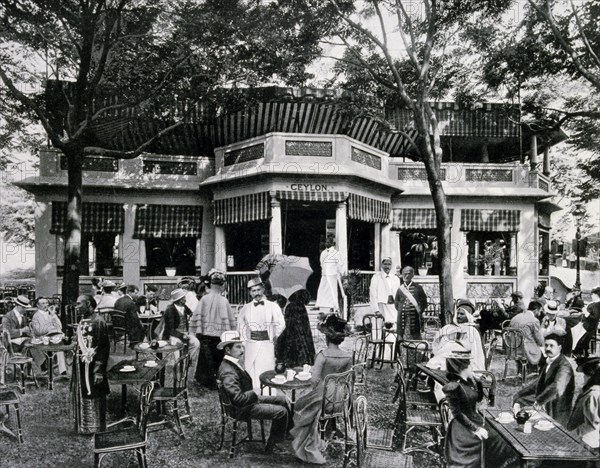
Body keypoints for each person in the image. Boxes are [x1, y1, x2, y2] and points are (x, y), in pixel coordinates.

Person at [291, 314, 353, 464]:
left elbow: (314, 379)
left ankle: (304, 443)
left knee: (299, 404)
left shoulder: (322, 356)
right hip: (338, 398)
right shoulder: (347, 357)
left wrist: (311, 372)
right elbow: (348, 379)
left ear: (327, 338)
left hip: (321, 398)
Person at [217, 335, 291, 454]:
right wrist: (254, 392)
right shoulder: (228, 371)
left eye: (242, 347)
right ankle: (272, 445)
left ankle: (286, 434)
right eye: (238, 347)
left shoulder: (231, 363)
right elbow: (237, 399)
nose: (242, 350)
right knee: (281, 411)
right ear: (227, 350)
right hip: (241, 409)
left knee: (282, 400)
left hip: (247, 402)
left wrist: (252, 394)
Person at [513, 333, 575, 425]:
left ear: (559, 347)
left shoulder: (564, 366)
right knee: (519, 402)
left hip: (556, 408)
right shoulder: (550, 361)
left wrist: (539, 401)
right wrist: (519, 394)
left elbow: (557, 387)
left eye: (551, 346)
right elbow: (538, 383)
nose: (548, 349)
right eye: (546, 345)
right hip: (546, 404)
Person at [189, 270, 236, 389]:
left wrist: (193, 331)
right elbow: (231, 322)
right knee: (218, 358)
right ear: (222, 286)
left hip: (204, 335)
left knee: (205, 359)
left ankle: (204, 380)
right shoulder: (224, 301)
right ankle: (216, 380)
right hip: (219, 337)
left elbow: (195, 317)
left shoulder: (204, 299)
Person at [237, 277, 285, 389]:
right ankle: (254, 392)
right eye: (253, 291)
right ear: (250, 293)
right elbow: (241, 326)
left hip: (267, 343)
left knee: (267, 367)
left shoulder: (272, 306)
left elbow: (281, 323)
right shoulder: (246, 308)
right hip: (251, 344)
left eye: (258, 290)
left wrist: (275, 335)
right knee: (251, 368)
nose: (256, 293)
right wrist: (244, 342)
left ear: (263, 290)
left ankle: (269, 393)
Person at [442, 350, 487, 468]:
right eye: (470, 365)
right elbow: (457, 413)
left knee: (498, 438)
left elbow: (478, 399)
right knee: (495, 441)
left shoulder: (470, 382)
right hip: (462, 428)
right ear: (462, 368)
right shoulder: (453, 386)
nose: (472, 367)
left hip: (476, 420)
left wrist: (478, 383)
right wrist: (476, 429)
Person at [73, 294, 110, 433]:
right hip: (82, 365)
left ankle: (96, 427)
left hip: (93, 366)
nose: (76, 307)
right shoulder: (84, 319)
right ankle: (84, 426)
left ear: (88, 304)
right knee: (84, 390)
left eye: (78, 304)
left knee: (94, 391)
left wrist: (99, 370)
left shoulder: (99, 321)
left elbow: (104, 347)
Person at [429, 300, 485, 371]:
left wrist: (455, 345)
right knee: (436, 362)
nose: (458, 316)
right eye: (457, 313)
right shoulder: (450, 327)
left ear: (468, 316)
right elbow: (440, 343)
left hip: (463, 361)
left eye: (462, 314)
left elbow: (474, 351)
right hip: (447, 354)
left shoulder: (472, 330)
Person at [2, 295, 45, 373]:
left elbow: (25, 331)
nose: (25, 310)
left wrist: (29, 332)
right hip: (10, 345)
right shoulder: (7, 317)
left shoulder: (23, 316)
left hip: (22, 342)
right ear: (18, 306)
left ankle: (37, 369)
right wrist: (22, 331)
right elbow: (7, 333)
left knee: (33, 343)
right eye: (24, 308)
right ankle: (41, 366)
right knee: (31, 344)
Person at [275, 289, 316, 369]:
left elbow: (289, 327)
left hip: (293, 344)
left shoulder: (291, 307)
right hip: (303, 340)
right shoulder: (301, 306)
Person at [567, 357, 600, 451]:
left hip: (586, 442)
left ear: (592, 376)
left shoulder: (593, 394)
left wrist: (571, 435)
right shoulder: (592, 392)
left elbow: (592, 424)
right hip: (584, 440)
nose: (583, 378)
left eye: (585, 375)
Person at [31, 297, 67, 375]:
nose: (46, 305)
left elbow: (59, 327)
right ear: (38, 305)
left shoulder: (50, 314)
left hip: (51, 338)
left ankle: (62, 370)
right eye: (43, 303)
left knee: (60, 345)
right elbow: (38, 331)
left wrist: (53, 315)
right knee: (57, 343)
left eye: (47, 303)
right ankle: (47, 367)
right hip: (41, 339)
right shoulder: (36, 316)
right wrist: (49, 328)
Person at [162, 288, 200, 362]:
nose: (185, 299)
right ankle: (178, 364)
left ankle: (189, 362)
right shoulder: (170, 310)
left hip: (185, 333)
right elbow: (170, 330)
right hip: (173, 335)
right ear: (179, 300)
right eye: (184, 298)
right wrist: (182, 336)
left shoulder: (184, 307)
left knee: (196, 343)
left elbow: (191, 313)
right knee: (177, 353)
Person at [509, 298, 545, 366]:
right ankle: (537, 373)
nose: (540, 314)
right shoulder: (534, 320)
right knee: (546, 353)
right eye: (539, 311)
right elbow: (540, 341)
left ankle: (521, 370)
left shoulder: (515, 317)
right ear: (536, 311)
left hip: (512, 350)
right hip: (526, 351)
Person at [395, 266, 428, 340]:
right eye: (404, 274)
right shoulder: (400, 289)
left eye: (409, 274)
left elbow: (424, 302)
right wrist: (402, 310)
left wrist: (419, 310)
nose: (406, 276)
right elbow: (396, 303)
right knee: (402, 341)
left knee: (415, 340)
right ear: (402, 275)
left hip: (415, 319)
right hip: (402, 319)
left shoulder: (418, 288)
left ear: (412, 275)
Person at [315, 235, 343, 312]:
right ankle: (320, 304)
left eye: (328, 242)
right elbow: (321, 263)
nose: (326, 243)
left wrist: (338, 272)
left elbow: (339, 264)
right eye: (325, 242)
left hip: (332, 274)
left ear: (331, 243)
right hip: (325, 274)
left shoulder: (336, 253)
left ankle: (332, 305)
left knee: (332, 290)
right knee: (322, 289)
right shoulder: (323, 253)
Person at [369, 257, 401, 324]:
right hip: (380, 306)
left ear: (391, 265)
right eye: (385, 264)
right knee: (378, 327)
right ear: (382, 265)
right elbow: (372, 294)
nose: (387, 266)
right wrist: (376, 310)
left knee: (392, 327)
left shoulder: (396, 278)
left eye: (389, 264)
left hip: (392, 307)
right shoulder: (376, 277)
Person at [573, 287, 600, 357]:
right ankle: (580, 350)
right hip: (586, 325)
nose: (591, 296)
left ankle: (577, 350)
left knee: (571, 327)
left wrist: (586, 312)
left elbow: (595, 318)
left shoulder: (597, 305)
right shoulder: (595, 303)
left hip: (588, 327)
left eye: (592, 295)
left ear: (596, 295)